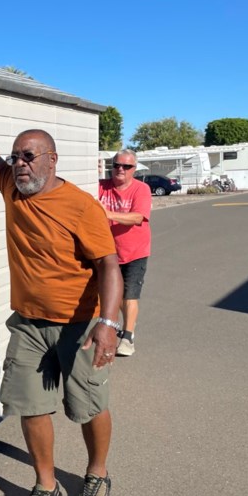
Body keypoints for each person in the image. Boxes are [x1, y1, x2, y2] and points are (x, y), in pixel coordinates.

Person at [0, 60, 123, 496]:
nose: (19, 163)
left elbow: (109, 265)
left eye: (29, 156)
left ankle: (97, 472)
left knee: (87, 406)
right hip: (29, 324)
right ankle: (45, 484)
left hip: (80, 326)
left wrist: (109, 324)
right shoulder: (11, 188)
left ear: (52, 159)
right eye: (17, 156)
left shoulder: (81, 207)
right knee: (29, 406)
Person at [98, 150, 152, 357]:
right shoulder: (101, 186)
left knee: (129, 295)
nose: (120, 169)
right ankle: (119, 326)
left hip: (135, 251)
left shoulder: (141, 189)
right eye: (117, 165)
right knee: (114, 294)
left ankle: (128, 337)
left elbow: (138, 217)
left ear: (134, 169)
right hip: (109, 251)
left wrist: (108, 214)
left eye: (126, 166)